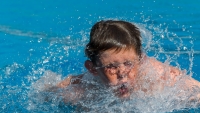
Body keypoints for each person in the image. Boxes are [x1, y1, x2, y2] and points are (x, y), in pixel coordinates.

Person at [55, 20, 200, 103]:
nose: (122, 74)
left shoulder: (162, 78)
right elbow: (47, 95)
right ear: (92, 69)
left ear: (141, 60)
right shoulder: (81, 88)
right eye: (111, 67)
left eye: (129, 64)